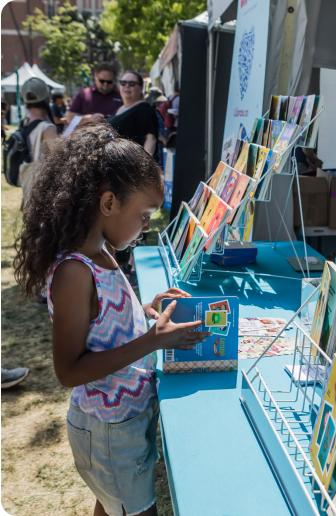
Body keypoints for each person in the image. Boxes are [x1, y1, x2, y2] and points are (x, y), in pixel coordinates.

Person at [13, 123, 209, 516]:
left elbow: (106, 324)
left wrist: (147, 308)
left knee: (112, 503)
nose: (148, 225)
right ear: (108, 204)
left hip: (122, 424)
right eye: (145, 214)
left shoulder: (101, 251)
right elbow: (68, 371)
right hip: (108, 430)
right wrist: (152, 340)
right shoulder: (74, 271)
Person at [18, 77, 57, 207]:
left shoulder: (25, 122)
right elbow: (61, 155)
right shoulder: (47, 128)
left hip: (28, 188)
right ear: (47, 98)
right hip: (42, 191)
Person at [109, 71, 159, 157]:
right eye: (123, 83)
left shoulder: (144, 109)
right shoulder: (119, 109)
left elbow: (151, 139)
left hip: (130, 166)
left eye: (131, 83)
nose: (127, 86)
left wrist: (144, 167)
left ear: (140, 88)